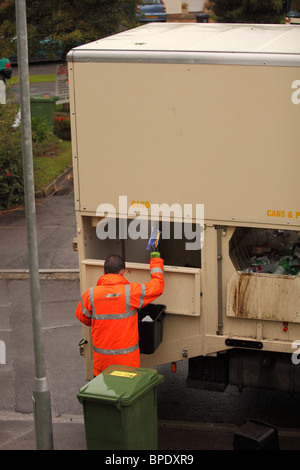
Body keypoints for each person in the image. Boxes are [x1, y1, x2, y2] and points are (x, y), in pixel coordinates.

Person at [75, 252, 164, 376]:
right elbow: (157, 287)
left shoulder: (90, 295)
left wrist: (99, 322)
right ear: (122, 272)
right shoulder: (131, 293)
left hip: (102, 364)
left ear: (103, 271)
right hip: (127, 364)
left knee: (104, 393)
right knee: (126, 394)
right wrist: (155, 261)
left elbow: (82, 317)